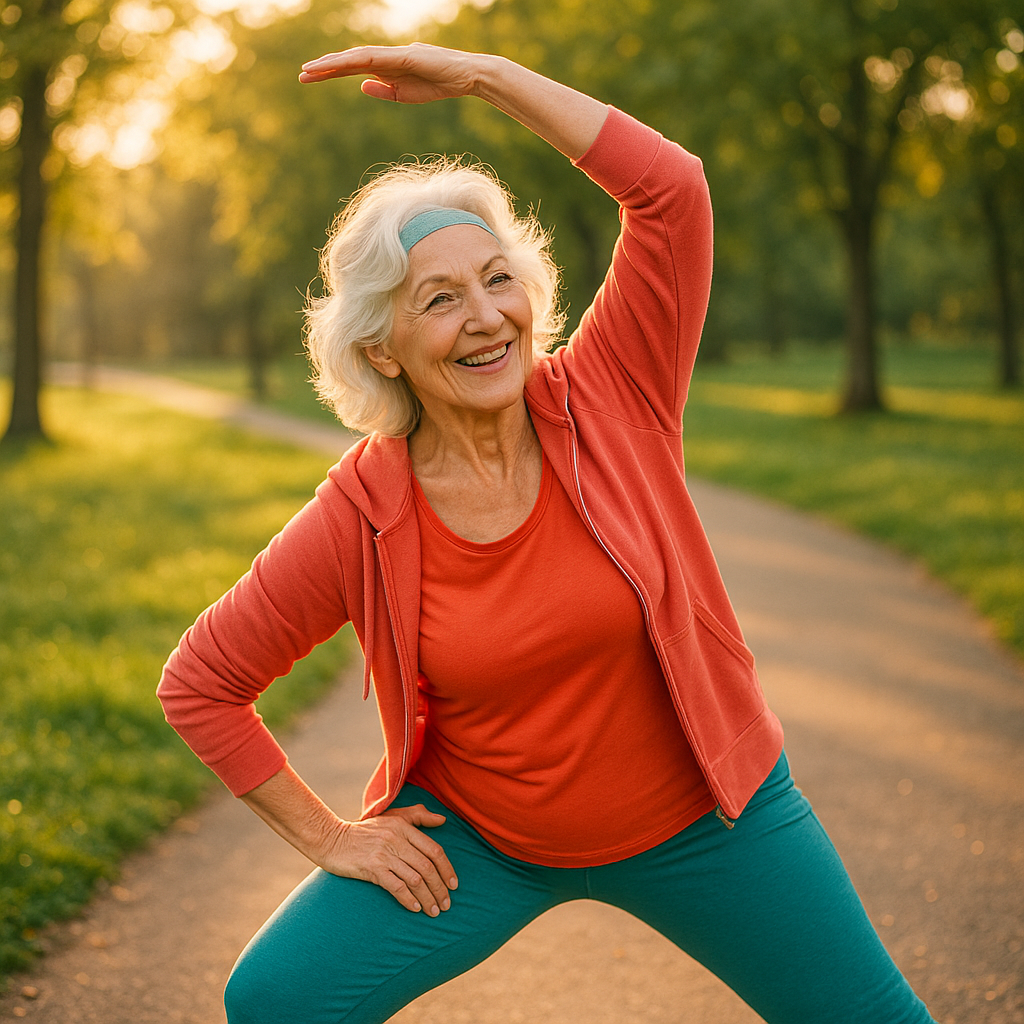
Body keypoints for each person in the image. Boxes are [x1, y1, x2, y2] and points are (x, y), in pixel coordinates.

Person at [157, 42, 938, 1024]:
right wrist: (327, 836)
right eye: (438, 299)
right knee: (278, 998)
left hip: (712, 819)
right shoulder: (360, 510)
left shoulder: (614, 391)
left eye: (497, 278)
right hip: (483, 845)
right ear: (380, 350)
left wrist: (482, 77)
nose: (486, 318)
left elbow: (671, 190)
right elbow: (200, 682)